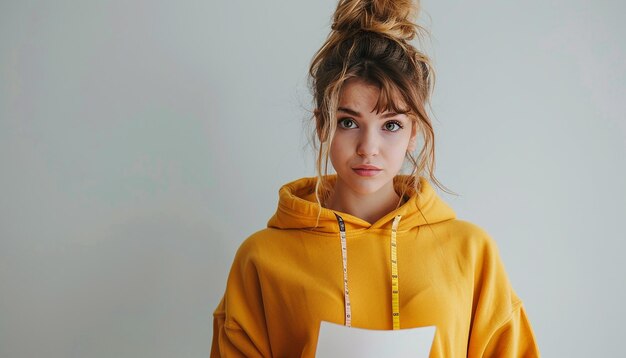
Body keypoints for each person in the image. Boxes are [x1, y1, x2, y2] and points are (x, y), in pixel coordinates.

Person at [211, 0, 540, 356]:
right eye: (348, 122)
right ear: (322, 124)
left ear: (413, 132)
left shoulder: (471, 252)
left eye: (391, 125)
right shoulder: (262, 258)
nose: (369, 148)